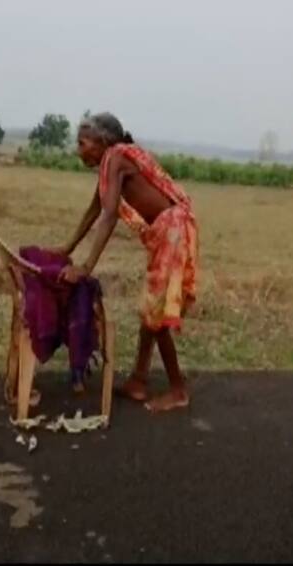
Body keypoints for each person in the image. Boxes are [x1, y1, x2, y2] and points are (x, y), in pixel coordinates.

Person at [54, 113, 198, 413]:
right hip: (168, 231)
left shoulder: (115, 157)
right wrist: (67, 248)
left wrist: (85, 268)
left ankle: (178, 390)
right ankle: (139, 381)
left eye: (82, 143)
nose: (78, 150)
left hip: (172, 231)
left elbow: (108, 216)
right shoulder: (112, 164)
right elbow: (95, 208)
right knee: (150, 311)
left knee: (157, 316)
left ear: (102, 142)